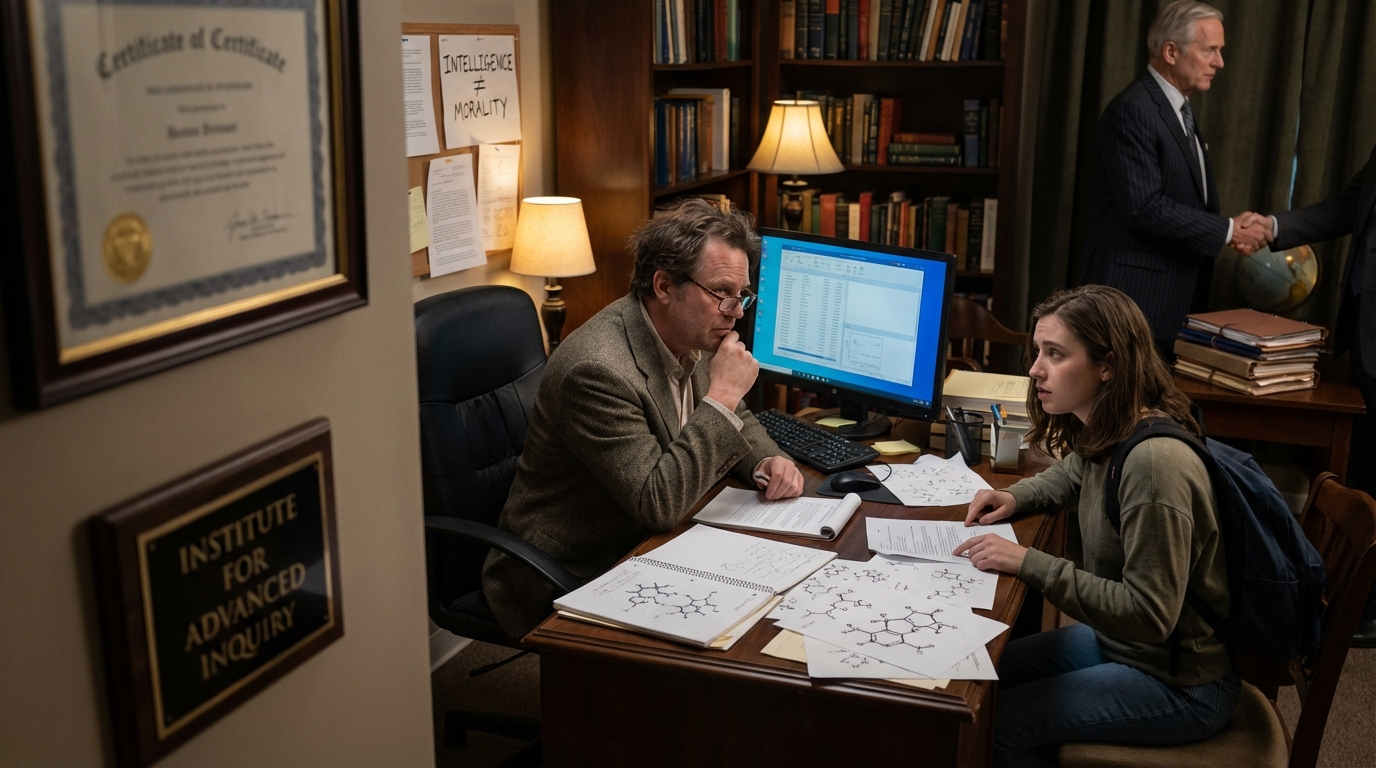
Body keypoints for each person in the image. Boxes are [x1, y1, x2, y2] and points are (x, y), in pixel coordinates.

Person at [482, 198, 805, 638]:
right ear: (664, 286)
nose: (737, 311)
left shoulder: (691, 328)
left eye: (743, 294)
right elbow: (659, 503)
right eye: (722, 293)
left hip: (647, 541)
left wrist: (766, 459)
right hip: (570, 567)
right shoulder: (597, 370)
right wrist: (725, 393)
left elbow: (736, 415)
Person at [954, 285, 1239, 767]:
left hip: (1179, 681)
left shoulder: (1154, 464)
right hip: (1127, 646)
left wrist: (1028, 562)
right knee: (984, 672)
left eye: (1055, 354)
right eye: (1037, 352)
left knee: (990, 724)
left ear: (1107, 365)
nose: (1035, 370)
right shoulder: (1115, 425)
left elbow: (1150, 613)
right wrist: (1013, 495)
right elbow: (1074, 472)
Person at [1237, 142, 1376, 645]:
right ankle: (1356, 602)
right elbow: (1346, 207)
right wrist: (1272, 228)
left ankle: (1365, 609)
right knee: (1365, 471)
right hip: (1365, 336)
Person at [1078, 1, 1271, 356]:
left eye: (1220, 51)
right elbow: (1145, 208)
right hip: (1134, 304)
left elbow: (1184, 201)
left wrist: (1226, 226)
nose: (1219, 62)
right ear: (1171, 51)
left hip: (1169, 303)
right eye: (1210, 50)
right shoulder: (1133, 110)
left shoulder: (1177, 109)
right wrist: (1228, 230)